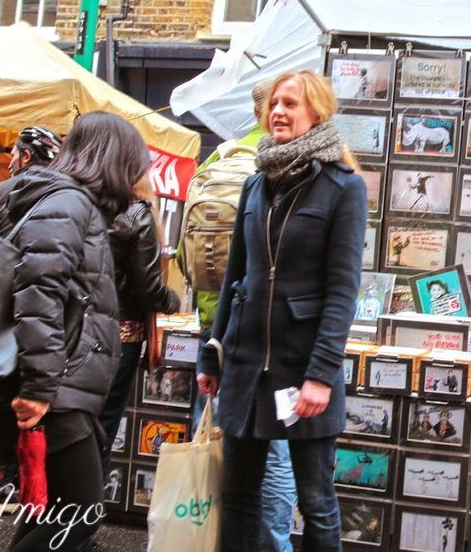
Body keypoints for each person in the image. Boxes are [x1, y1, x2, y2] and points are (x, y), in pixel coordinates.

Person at [196, 69, 367, 552]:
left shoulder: (343, 187)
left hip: (303, 369)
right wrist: (212, 354)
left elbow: (342, 291)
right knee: (238, 496)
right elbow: (235, 277)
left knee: (315, 500)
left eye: (290, 103)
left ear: (317, 111)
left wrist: (320, 375)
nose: (279, 112)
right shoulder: (255, 184)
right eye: (275, 103)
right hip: (247, 365)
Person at [0, 111, 147, 550]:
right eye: (133, 167)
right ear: (112, 161)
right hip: (58, 389)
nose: (135, 179)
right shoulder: (68, 205)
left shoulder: (67, 203)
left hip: (60, 384)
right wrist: (40, 386)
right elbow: (38, 296)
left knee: (55, 511)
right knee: (80, 514)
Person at [181, 78, 298, 552]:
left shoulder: (221, 159)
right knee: (275, 455)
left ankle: (202, 535)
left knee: (212, 439)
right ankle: (272, 545)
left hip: (213, 323)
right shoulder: (284, 170)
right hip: (265, 335)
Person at [0, 125, 62, 510]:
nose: (8, 160)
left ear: (24, 156)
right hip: (44, 307)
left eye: (12, 153)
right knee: (32, 392)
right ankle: (21, 478)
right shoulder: (64, 197)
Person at [95, 175, 180, 477]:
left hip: (82, 331)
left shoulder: (88, 205)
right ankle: (82, 511)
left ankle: (60, 505)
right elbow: (149, 289)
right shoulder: (138, 214)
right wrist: (173, 301)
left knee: (78, 425)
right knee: (102, 429)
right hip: (122, 334)